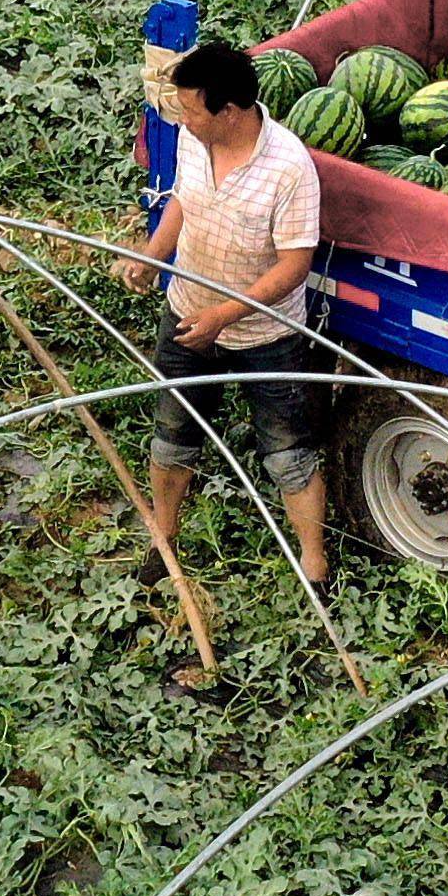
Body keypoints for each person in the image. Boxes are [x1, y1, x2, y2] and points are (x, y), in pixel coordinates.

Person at [119, 41, 331, 593]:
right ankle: (163, 540)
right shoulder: (194, 139)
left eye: (191, 107)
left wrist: (226, 314)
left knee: (288, 454)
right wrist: (153, 254)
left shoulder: (289, 169)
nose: (182, 118)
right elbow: (183, 202)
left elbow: (293, 266)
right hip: (188, 314)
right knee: (172, 437)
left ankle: (314, 564)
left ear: (229, 111)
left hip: (267, 334)